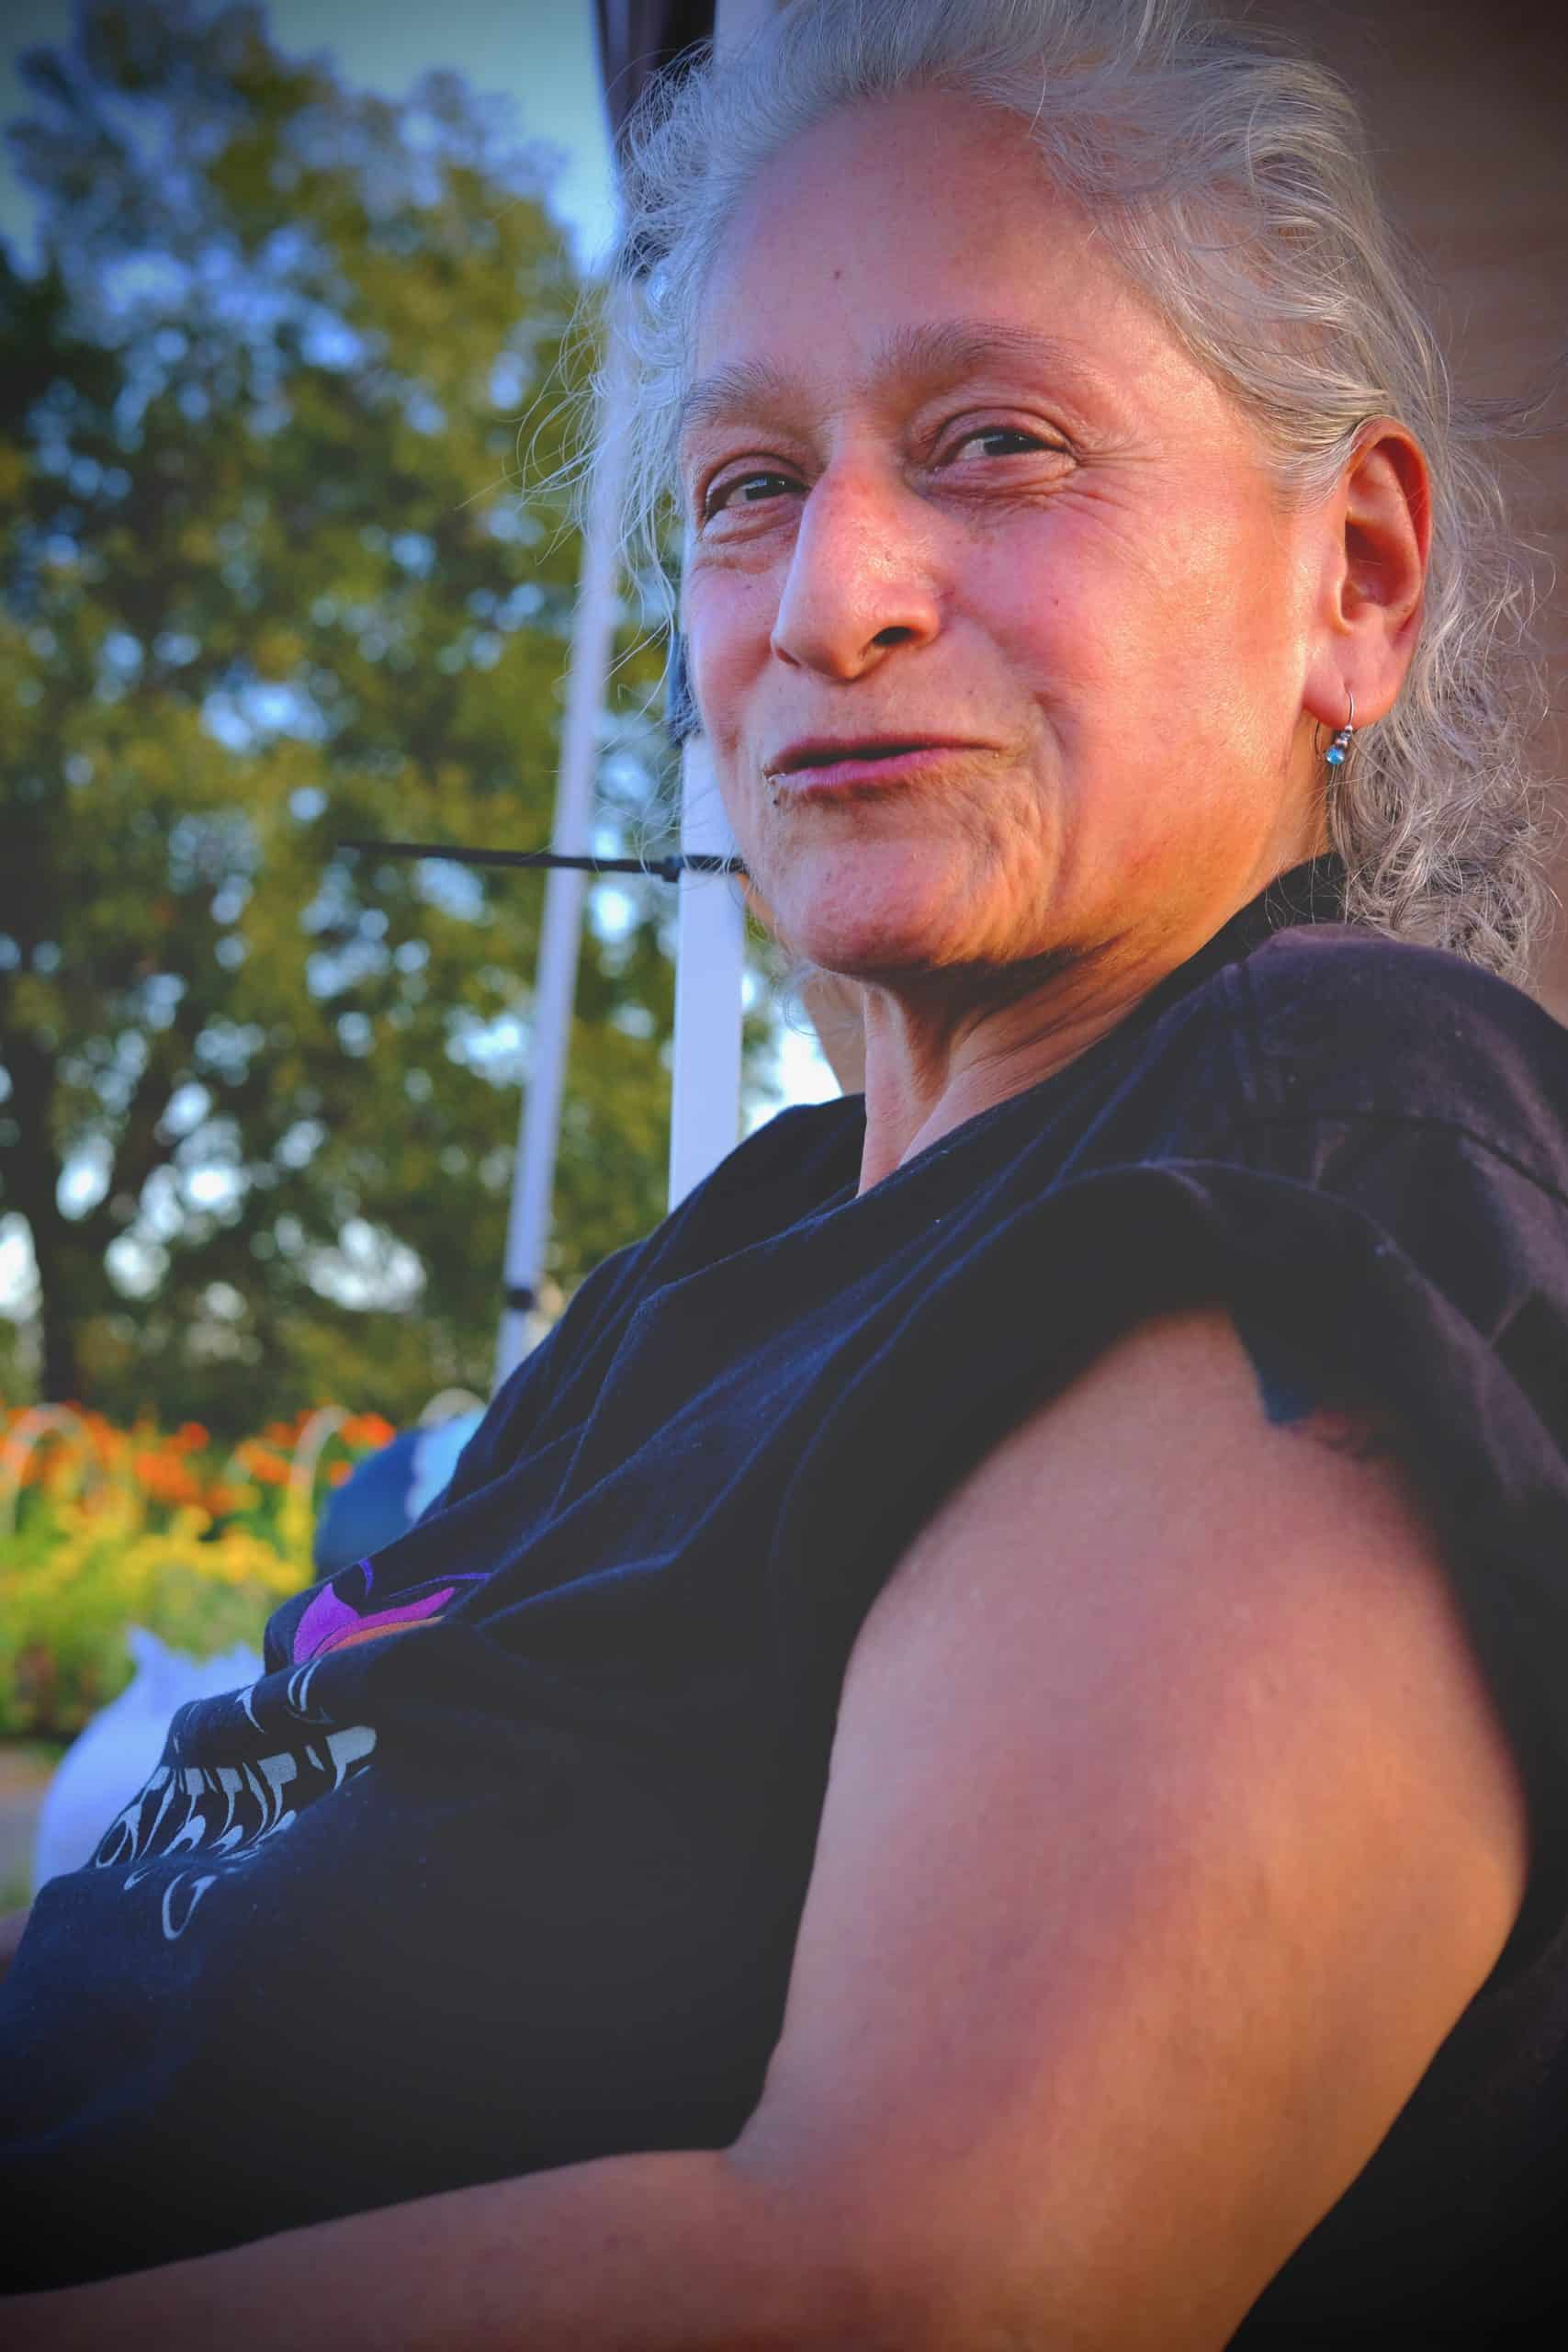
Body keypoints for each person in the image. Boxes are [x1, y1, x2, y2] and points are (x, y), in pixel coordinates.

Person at [4, 0, 1567, 2341]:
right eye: (745, 485)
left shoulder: (1331, 1138)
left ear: (1349, 575)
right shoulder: (744, 1237)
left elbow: (917, 2282)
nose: (829, 601)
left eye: (996, 442)